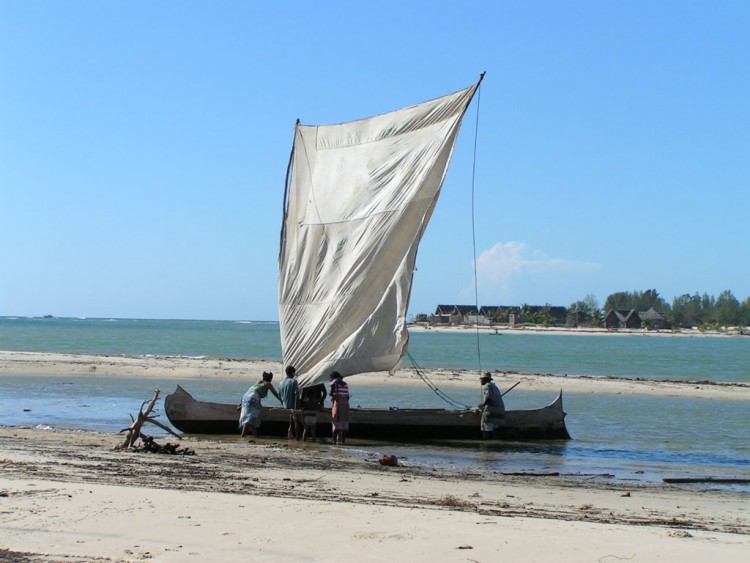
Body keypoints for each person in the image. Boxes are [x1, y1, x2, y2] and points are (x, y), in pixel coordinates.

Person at [238, 371, 282, 438]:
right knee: (249, 419)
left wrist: (240, 404)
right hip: (253, 398)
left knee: (251, 419)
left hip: (245, 397)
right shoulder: (268, 384)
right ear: (270, 379)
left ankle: (256, 437)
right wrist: (282, 401)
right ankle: (243, 436)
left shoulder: (258, 382)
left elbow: (252, 391)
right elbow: (275, 394)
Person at [477, 372, 505, 439]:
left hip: (491, 413)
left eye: (481, 379)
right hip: (499, 413)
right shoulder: (495, 386)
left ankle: (486, 446)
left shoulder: (487, 386)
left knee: (486, 431)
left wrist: (482, 405)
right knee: (494, 431)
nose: (480, 381)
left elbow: (488, 398)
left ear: (485, 379)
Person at [278, 365, 301, 439]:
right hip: (292, 406)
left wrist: (283, 403)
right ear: (292, 373)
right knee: (297, 420)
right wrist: (297, 408)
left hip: (285, 405)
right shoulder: (294, 381)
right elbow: (296, 395)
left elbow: (279, 396)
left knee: (292, 418)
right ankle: (297, 438)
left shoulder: (281, 382)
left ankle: (290, 432)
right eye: (294, 373)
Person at [329, 371, 350, 445]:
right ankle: (343, 442)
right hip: (345, 405)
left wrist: (333, 396)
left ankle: (334, 443)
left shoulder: (334, 381)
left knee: (335, 422)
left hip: (337, 404)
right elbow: (347, 396)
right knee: (344, 423)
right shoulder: (345, 384)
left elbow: (330, 393)